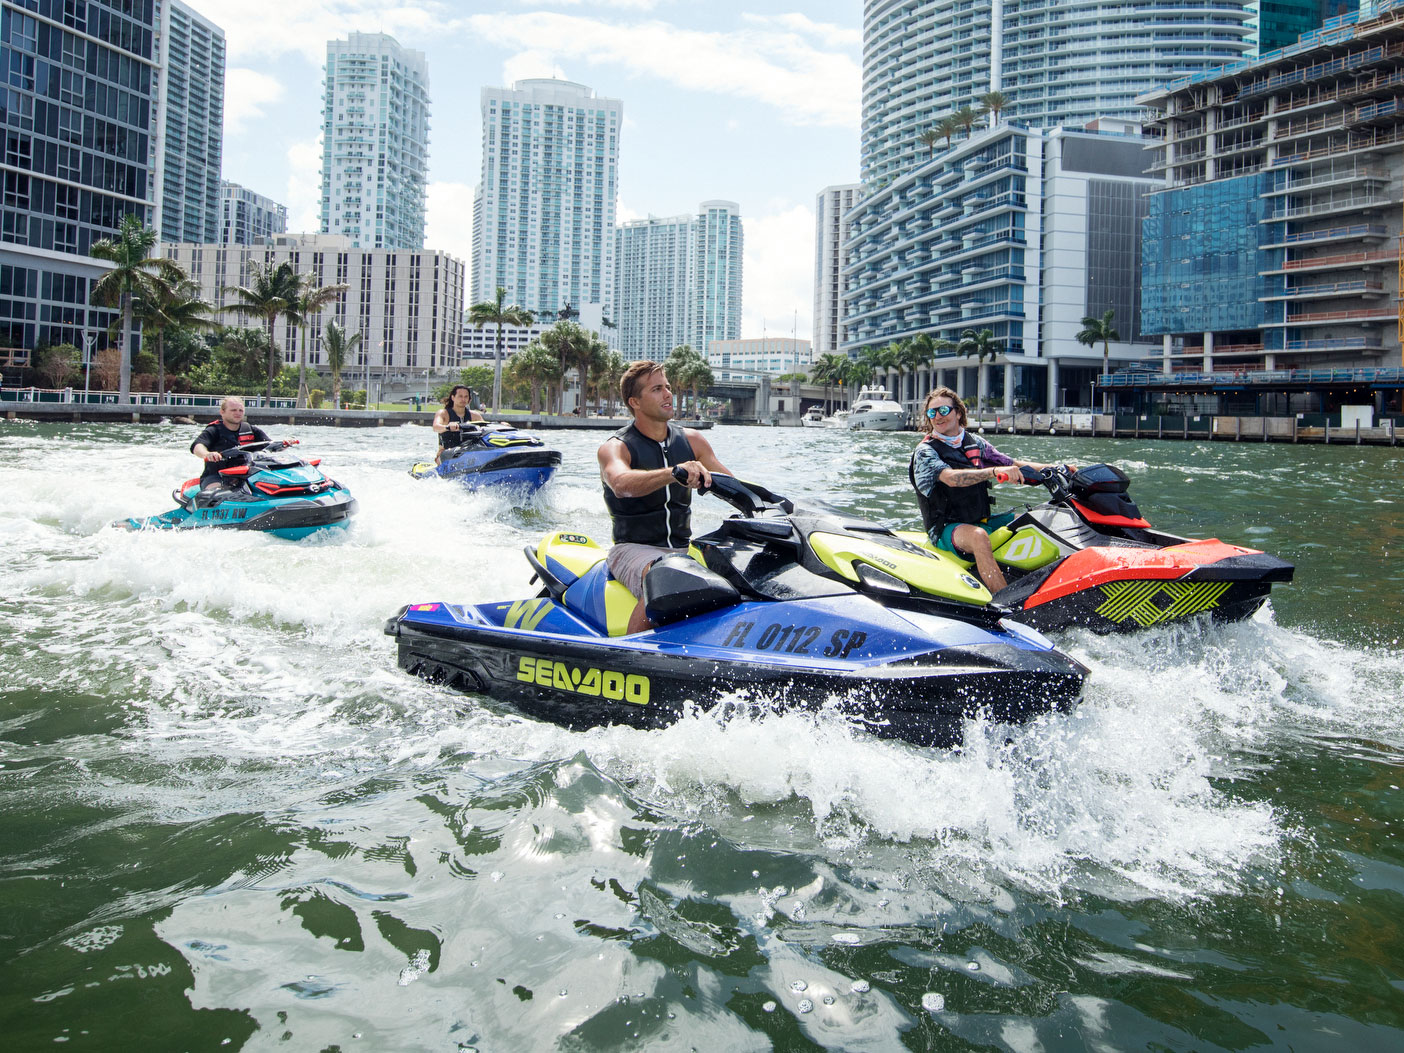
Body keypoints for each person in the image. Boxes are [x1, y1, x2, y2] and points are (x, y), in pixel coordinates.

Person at [598, 360, 733, 634]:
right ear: (635, 402)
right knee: (667, 573)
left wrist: (775, 506)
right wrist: (674, 472)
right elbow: (622, 484)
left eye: (668, 387)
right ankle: (633, 656)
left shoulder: (692, 441)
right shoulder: (615, 447)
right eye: (657, 389)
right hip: (633, 550)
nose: (669, 394)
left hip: (684, 549)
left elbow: (731, 484)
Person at [909, 386, 1063, 594]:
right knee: (979, 537)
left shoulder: (974, 443)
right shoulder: (926, 451)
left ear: (958, 412)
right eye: (931, 412)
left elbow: (1013, 463)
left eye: (943, 410)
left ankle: (1048, 585)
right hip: (945, 527)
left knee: (1033, 519)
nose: (937, 416)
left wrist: (1057, 469)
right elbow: (952, 479)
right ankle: (1005, 603)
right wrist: (994, 471)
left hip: (979, 518)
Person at [190, 396, 273, 503]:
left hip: (245, 476)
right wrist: (207, 454)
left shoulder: (250, 429)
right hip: (216, 476)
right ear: (222, 412)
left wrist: (284, 444)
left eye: (240, 410)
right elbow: (197, 446)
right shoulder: (214, 430)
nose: (238, 413)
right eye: (233, 410)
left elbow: (269, 445)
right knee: (216, 495)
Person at [433, 384, 485, 464]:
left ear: (469, 399)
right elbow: (436, 427)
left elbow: (485, 429)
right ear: (453, 397)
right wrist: (447, 427)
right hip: (446, 453)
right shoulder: (443, 413)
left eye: (466, 397)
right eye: (460, 396)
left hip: (468, 453)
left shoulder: (475, 416)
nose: (463, 399)